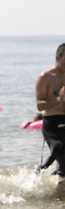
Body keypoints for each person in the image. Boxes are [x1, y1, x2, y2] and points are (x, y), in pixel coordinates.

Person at [36, 43, 65, 177]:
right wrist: (59, 99)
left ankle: (57, 190)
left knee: (64, 166)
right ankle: (40, 170)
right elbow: (40, 106)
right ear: (58, 57)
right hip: (51, 123)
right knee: (58, 147)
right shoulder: (45, 77)